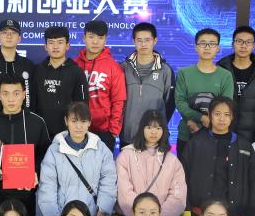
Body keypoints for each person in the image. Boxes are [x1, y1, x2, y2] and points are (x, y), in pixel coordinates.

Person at [0, 73, 51, 216]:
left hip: (25, 191)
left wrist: (36, 172)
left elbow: (45, 156)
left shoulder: (37, 122)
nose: (11, 99)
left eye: (16, 93)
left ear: (24, 94)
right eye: (6, 93)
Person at [37, 102, 116, 216]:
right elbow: (47, 185)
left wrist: (103, 210)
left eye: (83, 121)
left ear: (89, 122)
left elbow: (109, 180)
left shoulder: (101, 149)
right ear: (66, 121)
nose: (79, 126)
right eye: (74, 121)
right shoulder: (54, 150)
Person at [181, 97, 255, 216]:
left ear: (232, 117)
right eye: (217, 114)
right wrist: (186, 211)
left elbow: (252, 183)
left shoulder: (244, 146)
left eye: (227, 114)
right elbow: (183, 179)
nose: (222, 118)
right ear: (209, 115)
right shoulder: (196, 143)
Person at [175, 28, 234, 155]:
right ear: (196, 47)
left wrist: (206, 123)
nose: (207, 47)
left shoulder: (226, 76)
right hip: (186, 134)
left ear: (218, 48)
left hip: (215, 135)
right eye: (203, 43)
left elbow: (225, 106)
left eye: (212, 44)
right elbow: (180, 102)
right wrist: (201, 118)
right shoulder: (184, 73)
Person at [120, 22, 175, 149]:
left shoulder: (165, 70)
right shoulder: (123, 68)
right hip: (128, 135)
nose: (143, 44)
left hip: (155, 137)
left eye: (147, 40)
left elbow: (170, 103)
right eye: (139, 40)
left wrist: (158, 126)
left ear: (155, 40)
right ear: (133, 41)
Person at [74, 19, 126, 152]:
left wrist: (113, 132)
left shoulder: (113, 67)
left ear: (105, 40)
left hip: (103, 132)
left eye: (100, 38)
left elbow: (118, 101)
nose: (95, 42)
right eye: (91, 37)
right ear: (84, 38)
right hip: (77, 128)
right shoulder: (74, 65)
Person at [32, 26, 87, 140]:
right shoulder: (37, 70)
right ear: (45, 46)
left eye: (60, 42)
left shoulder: (77, 72)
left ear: (67, 46)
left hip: (67, 135)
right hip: (39, 133)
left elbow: (82, 107)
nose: (55, 46)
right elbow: (31, 103)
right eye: (51, 42)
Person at [0, 19, 36, 118]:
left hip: (23, 121)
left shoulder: (28, 65)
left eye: (13, 33)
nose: (9, 36)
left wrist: (28, 118)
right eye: (4, 32)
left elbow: (32, 97)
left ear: (19, 38)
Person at [218, 25, 255, 102]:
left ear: (254, 46)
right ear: (232, 44)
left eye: (248, 42)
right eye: (239, 41)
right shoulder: (221, 68)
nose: (243, 46)